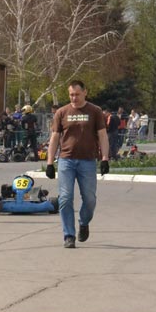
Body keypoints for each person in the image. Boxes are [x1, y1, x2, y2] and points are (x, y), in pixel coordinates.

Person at [44, 79, 109, 249]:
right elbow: (55, 138)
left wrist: (105, 159)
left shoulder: (95, 111)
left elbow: (102, 135)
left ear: (85, 92)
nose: (74, 98)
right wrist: (50, 163)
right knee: (65, 198)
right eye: (71, 95)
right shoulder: (62, 112)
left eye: (77, 94)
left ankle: (84, 222)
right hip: (66, 161)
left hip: (88, 161)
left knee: (90, 199)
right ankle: (69, 235)